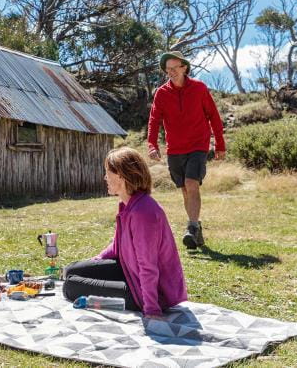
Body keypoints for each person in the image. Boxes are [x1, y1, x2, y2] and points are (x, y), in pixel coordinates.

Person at [62, 147, 187, 319]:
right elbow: (117, 246)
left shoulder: (143, 212)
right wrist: (95, 263)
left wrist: (151, 309)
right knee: (70, 271)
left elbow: (148, 265)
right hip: (129, 271)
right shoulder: (129, 205)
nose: (105, 178)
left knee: (71, 287)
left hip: (147, 293)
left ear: (121, 175)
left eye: (108, 173)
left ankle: (132, 303)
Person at [147, 51, 225, 250]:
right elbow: (154, 120)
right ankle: (196, 227)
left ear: (184, 67)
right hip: (175, 149)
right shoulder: (162, 93)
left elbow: (214, 117)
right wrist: (152, 145)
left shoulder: (199, 88)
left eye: (175, 68)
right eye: (168, 69)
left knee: (192, 183)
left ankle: (190, 227)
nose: (171, 72)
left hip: (198, 145)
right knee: (184, 188)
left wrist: (220, 145)